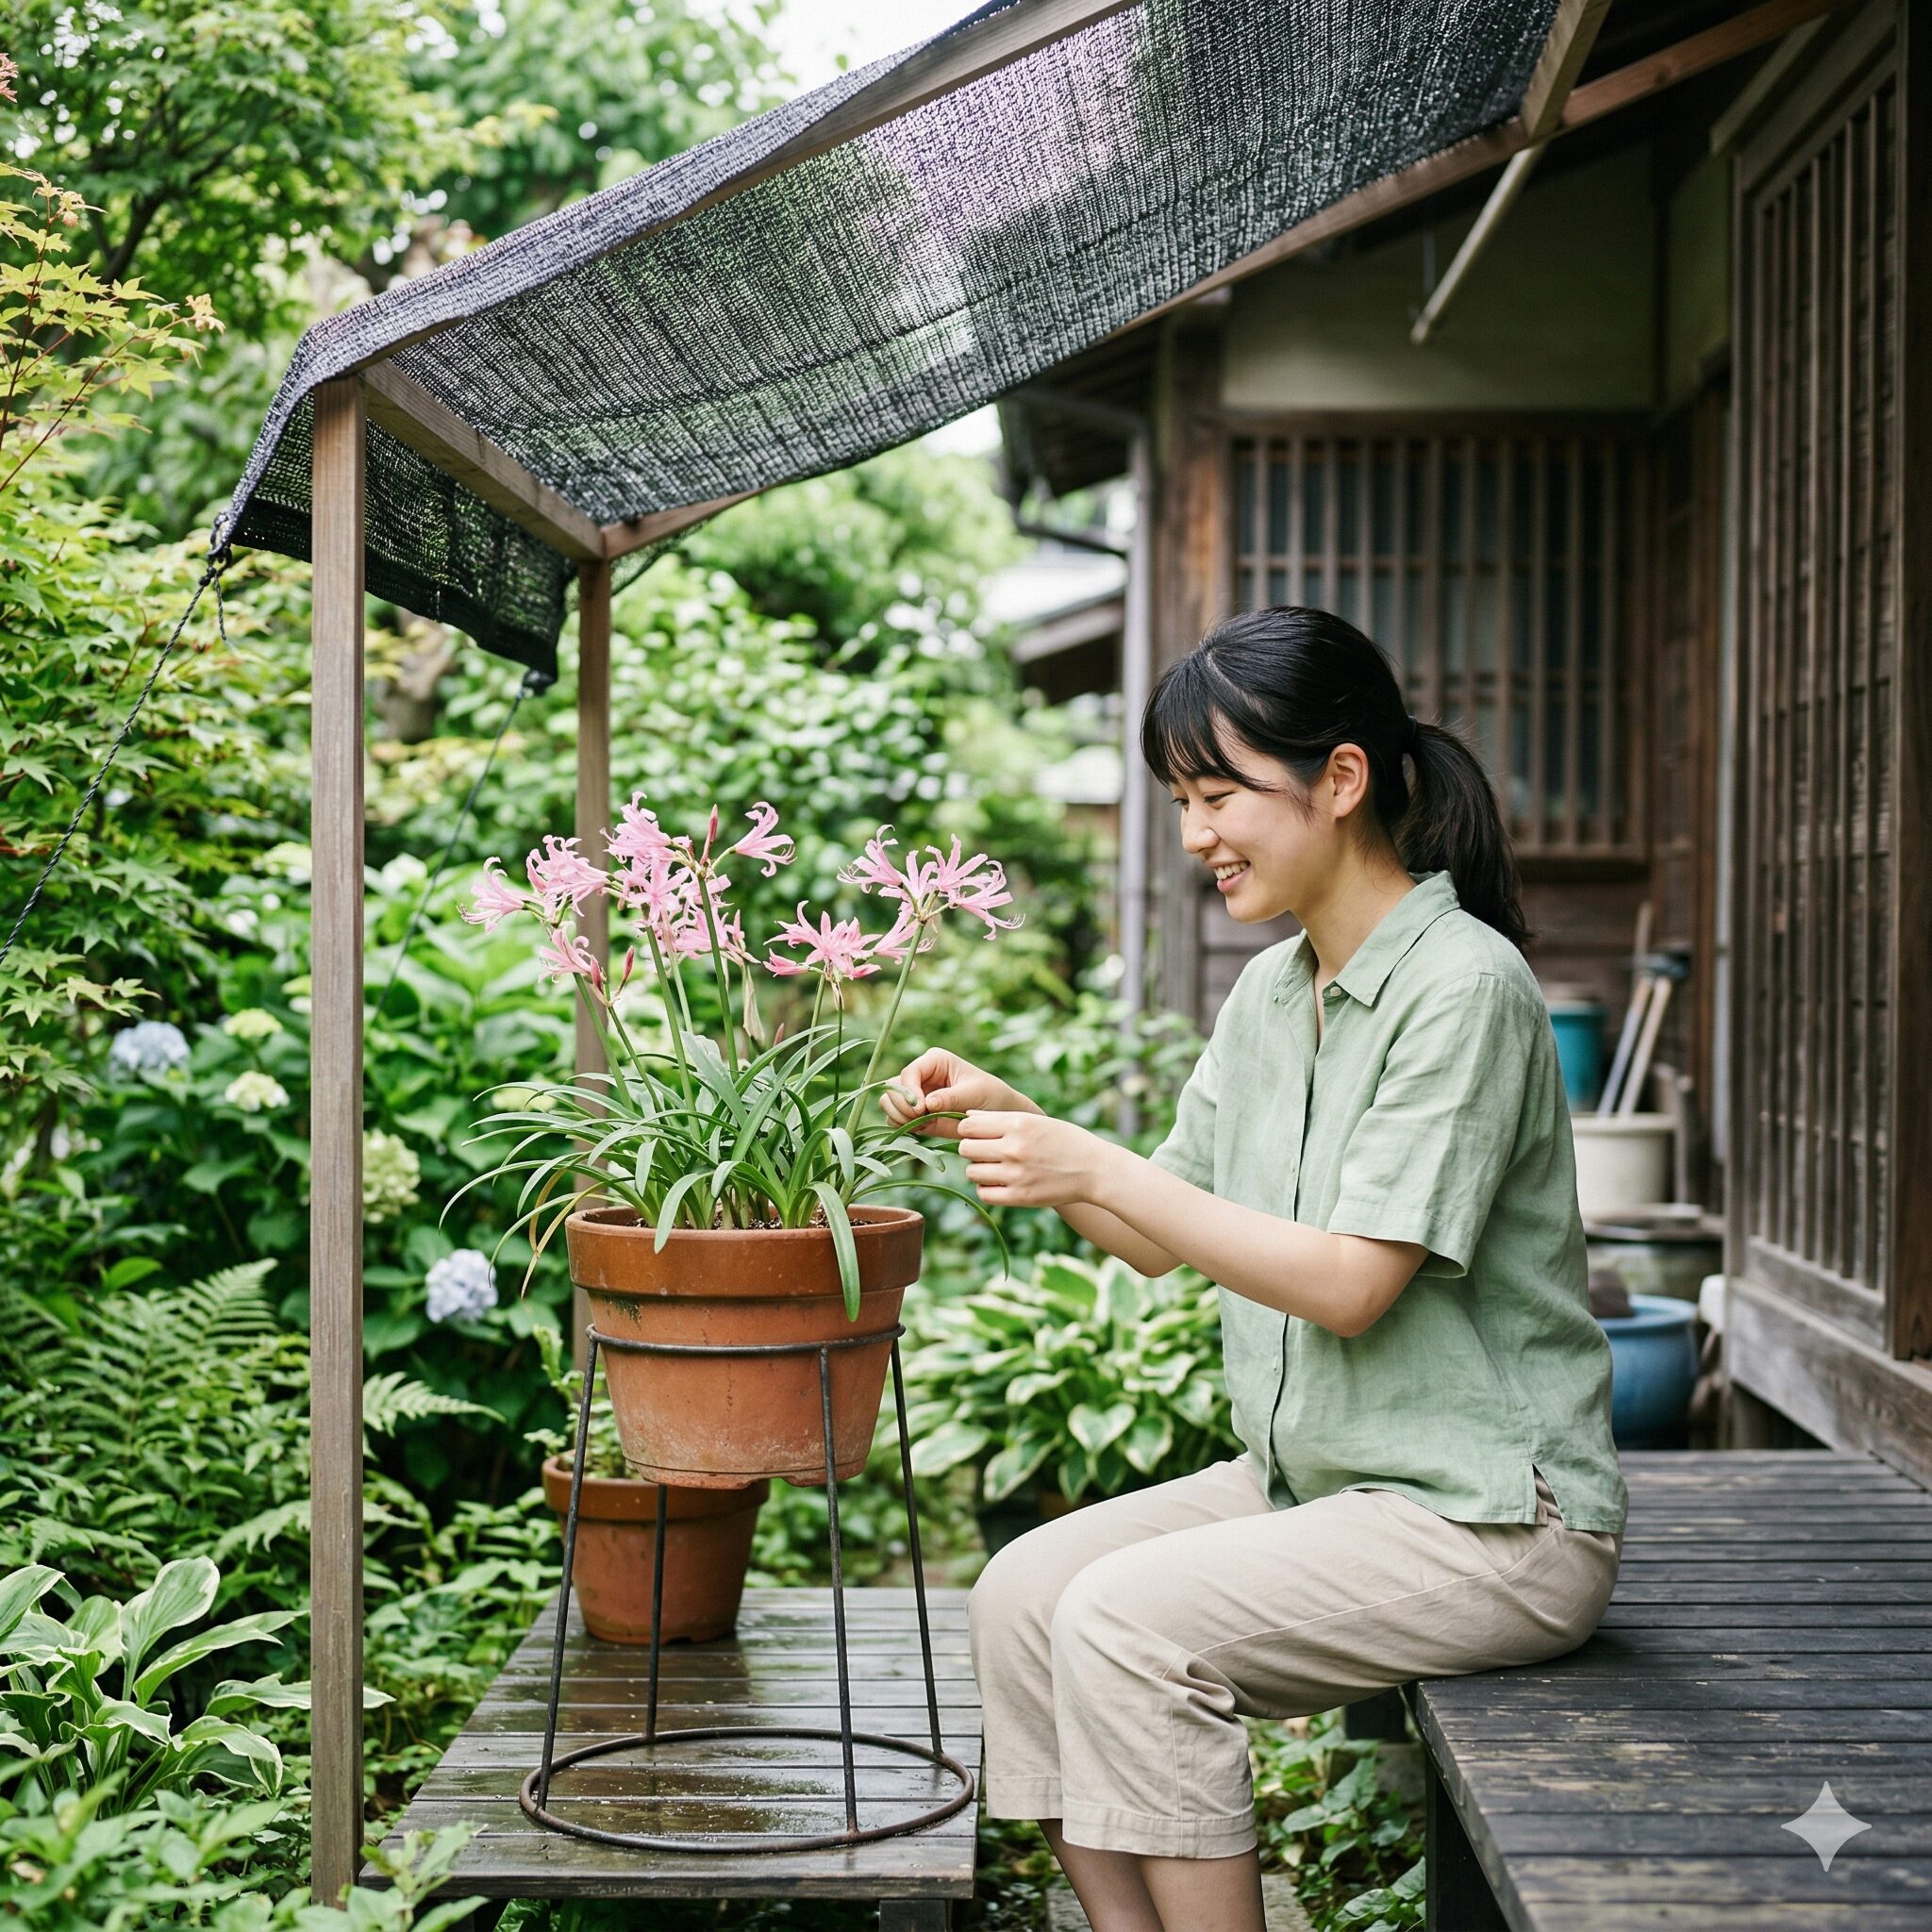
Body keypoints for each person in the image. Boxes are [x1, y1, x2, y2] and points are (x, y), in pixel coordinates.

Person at [880, 607, 1627, 1932]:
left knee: (1126, 1622)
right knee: (1021, 1599)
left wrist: (1102, 1169)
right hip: (1323, 1483)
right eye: (1180, 798)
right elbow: (1163, 1240)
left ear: (1342, 781)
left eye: (1219, 794)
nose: (1191, 835)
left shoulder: (1465, 987)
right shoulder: (1276, 991)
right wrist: (1018, 1124)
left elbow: (1350, 1283)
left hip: (1495, 1519)